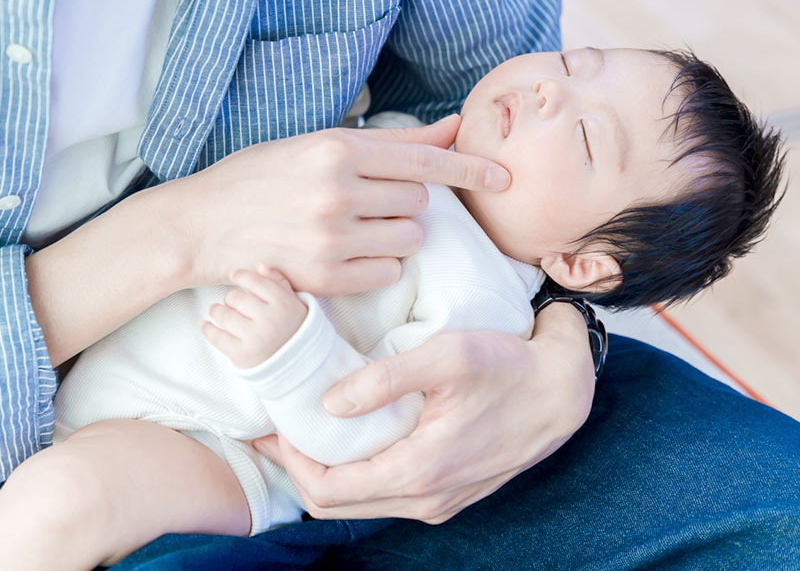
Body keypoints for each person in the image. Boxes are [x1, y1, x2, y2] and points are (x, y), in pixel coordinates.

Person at [0, 0, 798, 569]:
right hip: (127, 397)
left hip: (274, 441)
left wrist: (563, 353)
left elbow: (502, 116)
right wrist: (181, 232)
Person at [0, 46, 786, 569]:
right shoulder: (417, 139)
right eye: (575, 62)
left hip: (212, 443)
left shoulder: (478, 305)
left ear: (579, 263)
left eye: (582, 135)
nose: (548, 87)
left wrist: (293, 353)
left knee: (63, 504)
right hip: (105, 349)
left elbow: (376, 445)